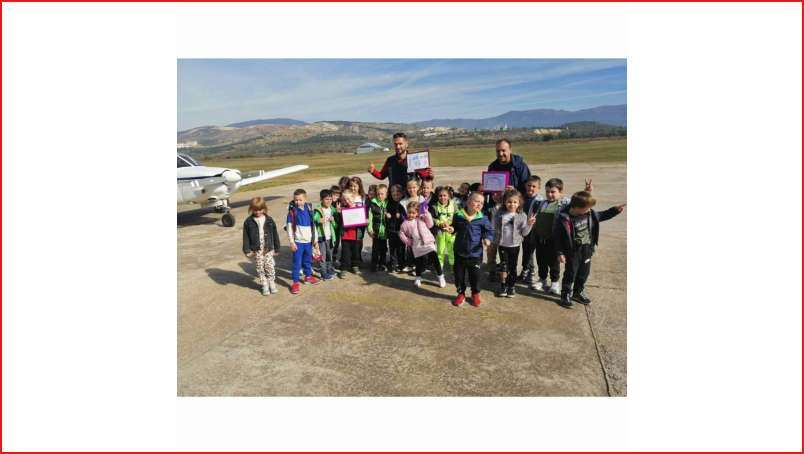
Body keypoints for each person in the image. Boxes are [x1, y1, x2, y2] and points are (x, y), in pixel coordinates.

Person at [554, 191, 625, 308]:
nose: (589, 210)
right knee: (570, 274)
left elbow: (602, 215)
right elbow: (558, 238)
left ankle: (577, 293)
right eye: (587, 208)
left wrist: (615, 210)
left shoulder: (590, 214)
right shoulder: (564, 219)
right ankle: (565, 295)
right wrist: (560, 253)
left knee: (584, 273)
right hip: (573, 252)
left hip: (587, 249)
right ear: (576, 208)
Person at [528, 177, 592, 293]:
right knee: (541, 261)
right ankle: (542, 280)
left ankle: (555, 283)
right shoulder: (540, 203)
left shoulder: (563, 204)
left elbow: (578, 203)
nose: (550, 194)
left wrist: (586, 192)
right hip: (540, 239)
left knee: (554, 263)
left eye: (553, 192)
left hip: (554, 240)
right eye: (547, 191)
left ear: (561, 192)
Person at [452, 192, 494, 307]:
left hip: (475, 253)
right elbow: (454, 227)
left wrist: (487, 239)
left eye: (482, 203)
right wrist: (451, 229)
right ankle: (461, 293)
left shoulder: (483, 218)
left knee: (475, 276)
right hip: (459, 251)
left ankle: (475, 293)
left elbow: (489, 231)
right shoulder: (458, 215)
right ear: (468, 201)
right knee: (459, 275)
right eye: (476, 201)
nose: (479, 204)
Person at [493, 190, 536, 298]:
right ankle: (503, 285)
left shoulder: (522, 215)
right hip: (502, 245)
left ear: (519, 203)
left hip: (514, 246)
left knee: (512, 267)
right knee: (503, 266)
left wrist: (529, 224)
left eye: (515, 202)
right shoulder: (499, 213)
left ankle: (511, 286)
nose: (512, 204)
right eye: (509, 202)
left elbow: (524, 233)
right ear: (504, 202)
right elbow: (493, 226)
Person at [399, 200, 446, 289]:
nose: (411, 215)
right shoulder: (405, 224)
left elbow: (430, 224)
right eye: (409, 212)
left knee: (435, 259)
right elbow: (401, 233)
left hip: (429, 243)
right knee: (419, 263)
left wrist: (427, 213)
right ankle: (418, 277)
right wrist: (408, 242)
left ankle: (440, 276)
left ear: (417, 212)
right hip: (417, 246)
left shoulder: (422, 218)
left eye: (413, 213)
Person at [242, 197, 281, 296]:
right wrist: (247, 249)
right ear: (251, 209)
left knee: (269, 266)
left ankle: (271, 282)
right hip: (257, 249)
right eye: (255, 210)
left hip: (268, 247)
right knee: (260, 267)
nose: (258, 212)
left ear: (264, 209)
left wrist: (277, 247)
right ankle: (264, 284)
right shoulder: (248, 222)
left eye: (260, 209)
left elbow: (275, 234)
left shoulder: (269, 220)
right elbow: (246, 237)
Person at [368, 132, 433, 189]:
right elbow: (382, 175)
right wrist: (373, 171)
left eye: (400, 144)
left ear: (406, 144)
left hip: (409, 196)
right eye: (395, 144)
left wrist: (430, 176)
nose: (398, 147)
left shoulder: (414, 158)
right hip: (394, 195)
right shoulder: (390, 160)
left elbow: (425, 178)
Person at [286, 189, 321, 294]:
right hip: (298, 242)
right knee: (297, 263)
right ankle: (295, 282)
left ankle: (308, 277)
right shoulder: (292, 212)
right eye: (296, 200)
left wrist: (315, 240)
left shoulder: (309, 209)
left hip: (308, 242)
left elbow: (313, 226)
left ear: (305, 199)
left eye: (300, 200)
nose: (298, 202)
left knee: (307, 261)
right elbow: (289, 228)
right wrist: (292, 242)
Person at [518, 175, 544, 283]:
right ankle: (525, 270)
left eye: (534, 186)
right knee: (526, 251)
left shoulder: (540, 200)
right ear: (525, 185)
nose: (531, 188)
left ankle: (530, 272)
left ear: (539, 188)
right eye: (529, 185)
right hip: (524, 229)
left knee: (530, 252)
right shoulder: (521, 198)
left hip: (534, 231)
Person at [336, 188, 362, 278]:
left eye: (348, 198)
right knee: (345, 253)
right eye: (345, 199)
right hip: (346, 236)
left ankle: (355, 266)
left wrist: (365, 219)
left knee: (356, 252)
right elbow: (339, 222)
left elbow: (362, 220)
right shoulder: (343, 209)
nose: (347, 201)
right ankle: (344, 268)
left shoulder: (359, 208)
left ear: (353, 197)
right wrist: (339, 213)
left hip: (356, 236)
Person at [313, 189, 339, 281]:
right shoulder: (318, 209)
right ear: (321, 199)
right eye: (326, 199)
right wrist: (318, 220)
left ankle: (329, 269)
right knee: (322, 257)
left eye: (330, 199)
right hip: (321, 237)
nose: (329, 201)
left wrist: (333, 220)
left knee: (329, 255)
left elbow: (335, 226)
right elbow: (313, 218)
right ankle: (323, 274)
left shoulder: (332, 210)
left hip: (330, 237)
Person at [367, 184, 390, 272]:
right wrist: (370, 229)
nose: (380, 196)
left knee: (384, 249)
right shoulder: (373, 203)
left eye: (382, 194)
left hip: (384, 231)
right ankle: (374, 264)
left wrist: (388, 216)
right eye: (378, 194)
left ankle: (382, 264)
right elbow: (370, 217)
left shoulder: (388, 203)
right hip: (375, 231)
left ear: (386, 194)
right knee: (375, 249)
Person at [433, 186, 457, 270]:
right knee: (440, 250)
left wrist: (452, 226)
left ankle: (453, 266)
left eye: (444, 195)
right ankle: (440, 267)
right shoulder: (435, 206)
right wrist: (439, 223)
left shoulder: (454, 205)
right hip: (440, 232)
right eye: (440, 196)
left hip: (451, 231)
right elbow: (432, 218)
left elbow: (457, 216)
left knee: (452, 249)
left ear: (449, 196)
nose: (442, 197)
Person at [386, 184, 407, 273]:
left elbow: (407, 216)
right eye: (393, 193)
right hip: (391, 230)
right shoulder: (389, 203)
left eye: (398, 193)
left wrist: (401, 215)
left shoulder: (403, 203)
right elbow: (385, 211)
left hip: (401, 230)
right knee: (392, 248)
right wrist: (387, 214)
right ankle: (393, 264)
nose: (395, 195)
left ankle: (401, 264)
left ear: (402, 193)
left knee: (401, 248)